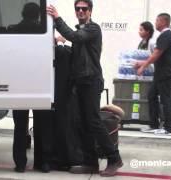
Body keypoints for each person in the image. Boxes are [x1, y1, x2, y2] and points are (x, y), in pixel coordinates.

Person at [47, 0, 123, 177]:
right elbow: (77, 51)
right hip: (81, 82)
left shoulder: (93, 29)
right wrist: (59, 42)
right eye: (78, 9)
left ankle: (114, 158)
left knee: (94, 121)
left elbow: (76, 37)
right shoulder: (81, 31)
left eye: (84, 9)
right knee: (83, 123)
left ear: (90, 11)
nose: (80, 11)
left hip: (91, 81)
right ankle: (90, 163)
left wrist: (57, 19)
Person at [11, 3, 53, 173]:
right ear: (37, 16)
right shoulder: (43, 31)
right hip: (39, 82)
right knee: (42, 124)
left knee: (20, 125)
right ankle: (42, 163)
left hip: (18, 82)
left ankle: (20, 163)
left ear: (22, 14)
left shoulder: (12, 30)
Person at [134, 13, 171, 136]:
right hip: (160, 73)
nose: (155, 23)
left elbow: (157, 53)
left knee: (165, 99)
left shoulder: (166, 34)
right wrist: (141, 62)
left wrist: (143, 65)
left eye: (157, 20)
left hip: (166, 73)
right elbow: (157, 57)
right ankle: (154, 125)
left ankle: (169, 128)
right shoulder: (164, 35)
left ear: (163, 22)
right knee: (151, 95)